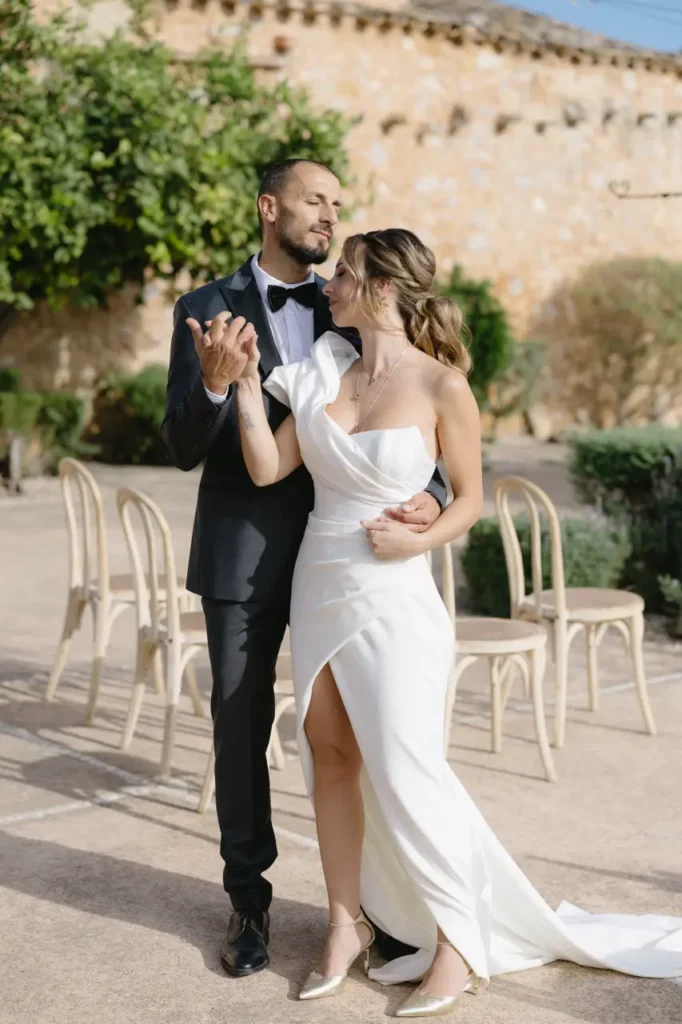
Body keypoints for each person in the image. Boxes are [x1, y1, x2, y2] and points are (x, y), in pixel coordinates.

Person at [233, 227, 682, 1017]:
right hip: (320, 578)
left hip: (398, 594)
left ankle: (459, 941)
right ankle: (346, 926)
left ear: (380, 289)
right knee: (328, 754)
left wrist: (420, 532)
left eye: (345, 274)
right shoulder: (321, 373)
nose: (329, 284)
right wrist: (240, 385)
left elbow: (468, 499)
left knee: (409, 769)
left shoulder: (445, 386)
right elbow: (269, 467)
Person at [161, 161, 447, 979]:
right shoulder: (203, 310)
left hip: (347, 554)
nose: (329, 214)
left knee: (364, 736)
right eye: (313, 200)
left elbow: (411, 397)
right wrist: (216, 389)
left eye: (335, 203)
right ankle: (247, 902)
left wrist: (433, 492)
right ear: (268, 207)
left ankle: (381, 909)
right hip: (243, 555)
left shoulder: (352, 300)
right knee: (241, 727)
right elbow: (179, 446)